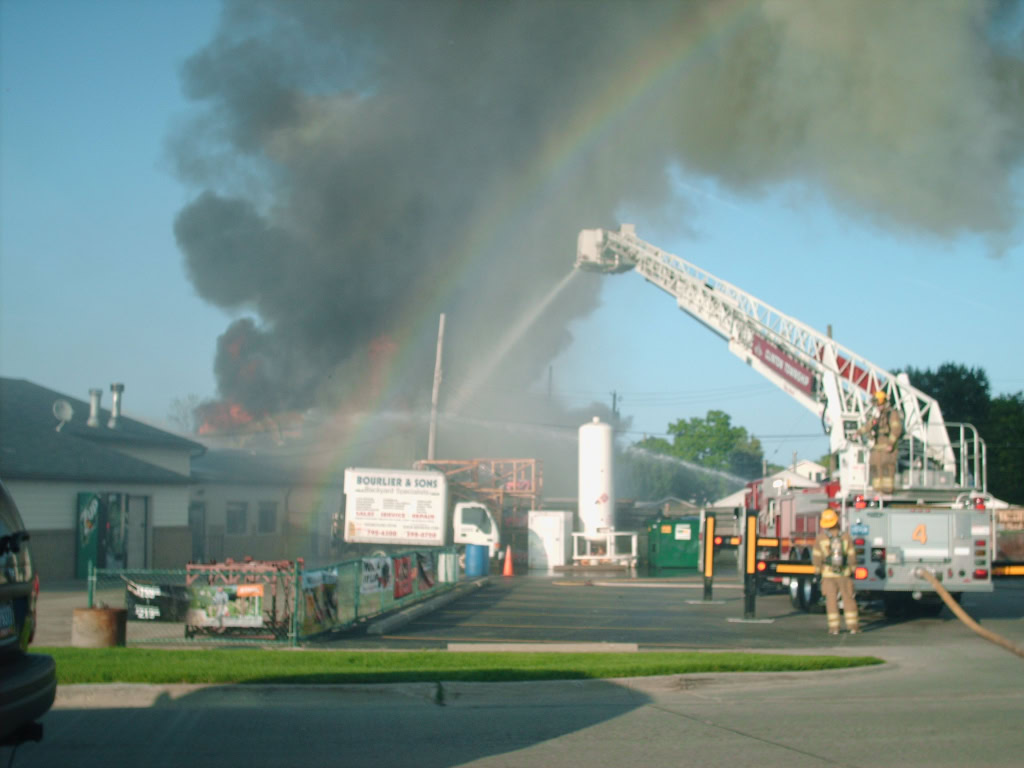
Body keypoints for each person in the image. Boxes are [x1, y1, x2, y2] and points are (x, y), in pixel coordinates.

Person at [812, 508, 859, 635]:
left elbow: (817, 557)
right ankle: (853, 626)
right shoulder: (846, 536)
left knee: (831, 601)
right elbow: (851, 555)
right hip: (844, 574)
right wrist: (853, 569)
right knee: (848, 599)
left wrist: (817, 572)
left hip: (828, 574)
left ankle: (834, 628)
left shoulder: (820, 538)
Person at [859, 390, 903, 493]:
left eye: (878, 404)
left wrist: (891, 444)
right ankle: (877, 490)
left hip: (887, 447)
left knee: (886, 466)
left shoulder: (892, 414)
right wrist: (858, 432)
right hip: (877, 447)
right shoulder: (877, 416)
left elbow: (896, 429)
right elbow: (868, 426)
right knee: (874, 466)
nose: (877, 406)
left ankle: (887, 490)